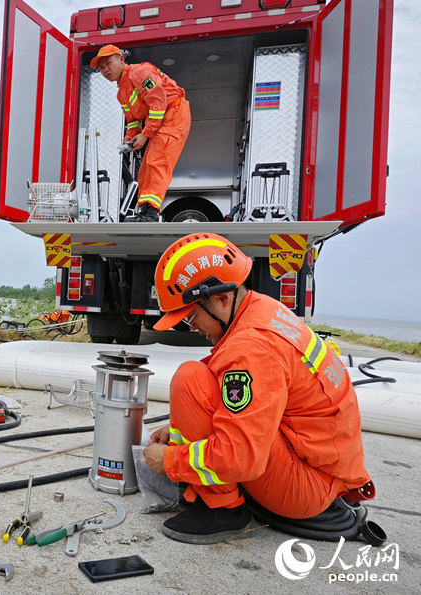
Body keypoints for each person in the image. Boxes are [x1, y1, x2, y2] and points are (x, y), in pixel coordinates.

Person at [143, 232, 372, 544]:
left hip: (307, 486)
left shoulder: (251, 347)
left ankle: (221, 508)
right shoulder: (261, 310)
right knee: (198, 377)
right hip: (322, 471)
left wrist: (169, 461)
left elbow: (240, 458)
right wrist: (178, 428)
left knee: (190, 378)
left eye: (190, 317)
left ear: (221, 299)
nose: (192, 328)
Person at [91, 44, 191, 222]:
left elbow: (158, 102)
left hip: (174, 114)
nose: (106, 69)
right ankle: (144, 211)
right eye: (101, 68)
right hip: (161, 121)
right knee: (145, 169)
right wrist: (129, 139)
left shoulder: (140, 72)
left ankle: (150, 213)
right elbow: (134, 120)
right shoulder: (121, 94)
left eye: (108, 63)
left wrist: (146, 134)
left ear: (121, 59)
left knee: (156, 163)